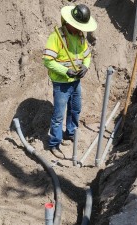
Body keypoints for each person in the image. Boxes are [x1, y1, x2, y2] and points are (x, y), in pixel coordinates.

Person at [42, 4, 97, 158]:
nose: (81, 29)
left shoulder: (80, 37)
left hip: (76, 81)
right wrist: (66, 71)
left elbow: (87, 56)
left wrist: (85, 67)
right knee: (59, 115)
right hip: (61, 83)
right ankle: (54, 143)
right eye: (78, 26)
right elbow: (47, 61)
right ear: (70, 22)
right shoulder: (56, 37)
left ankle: (70, 133)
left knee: (75, 108)